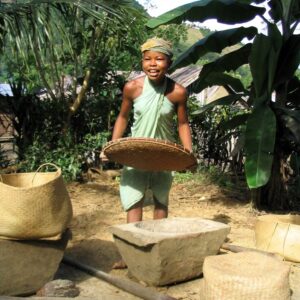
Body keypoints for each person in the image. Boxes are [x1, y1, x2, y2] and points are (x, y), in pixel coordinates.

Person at [102, 37, 192, 268]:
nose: (153, 64)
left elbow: (183, 125)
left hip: (164, 156)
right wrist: (113, 147)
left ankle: (157, 253)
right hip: (135, 154)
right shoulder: (132, 88)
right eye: (147, 59)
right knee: (134, 202)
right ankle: (131, 255)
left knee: (161, 203)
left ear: (168, 63)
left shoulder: (178, 92)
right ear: (142, 62)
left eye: (159, 59)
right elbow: (122, 117)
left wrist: (188, 154)